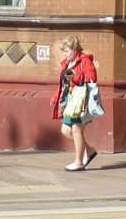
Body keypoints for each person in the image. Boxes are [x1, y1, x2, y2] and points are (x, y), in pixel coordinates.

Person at [51, 35, 98, 171]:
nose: (65, 54)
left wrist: (75, 78)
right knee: (66, 131)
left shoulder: (85, 61)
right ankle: (89, 151)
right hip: (69, 101)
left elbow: (92, 78)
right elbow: (63, 84)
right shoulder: (66, 63)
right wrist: (56, 96)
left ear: (75, 49)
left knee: (76, 129)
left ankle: (78, 162)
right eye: (64, 51)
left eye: (67, 50)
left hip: (81, 100)